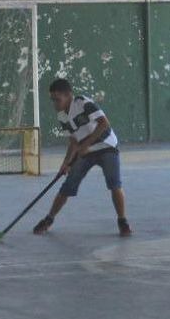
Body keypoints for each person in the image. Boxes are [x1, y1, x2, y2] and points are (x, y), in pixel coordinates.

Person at [33, 79, 131, 237]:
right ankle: (49, 219)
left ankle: (122, 221)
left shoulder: (82, 103)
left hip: (107, 146)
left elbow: (104, 124)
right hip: (85, 152)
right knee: (67, 186)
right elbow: (73, 141)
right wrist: (66, 164)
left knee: (114, 184)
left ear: (68, 95)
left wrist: (85, 144)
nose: (55, 103)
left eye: (58, 99)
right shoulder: (62, 116)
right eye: (53, 100)